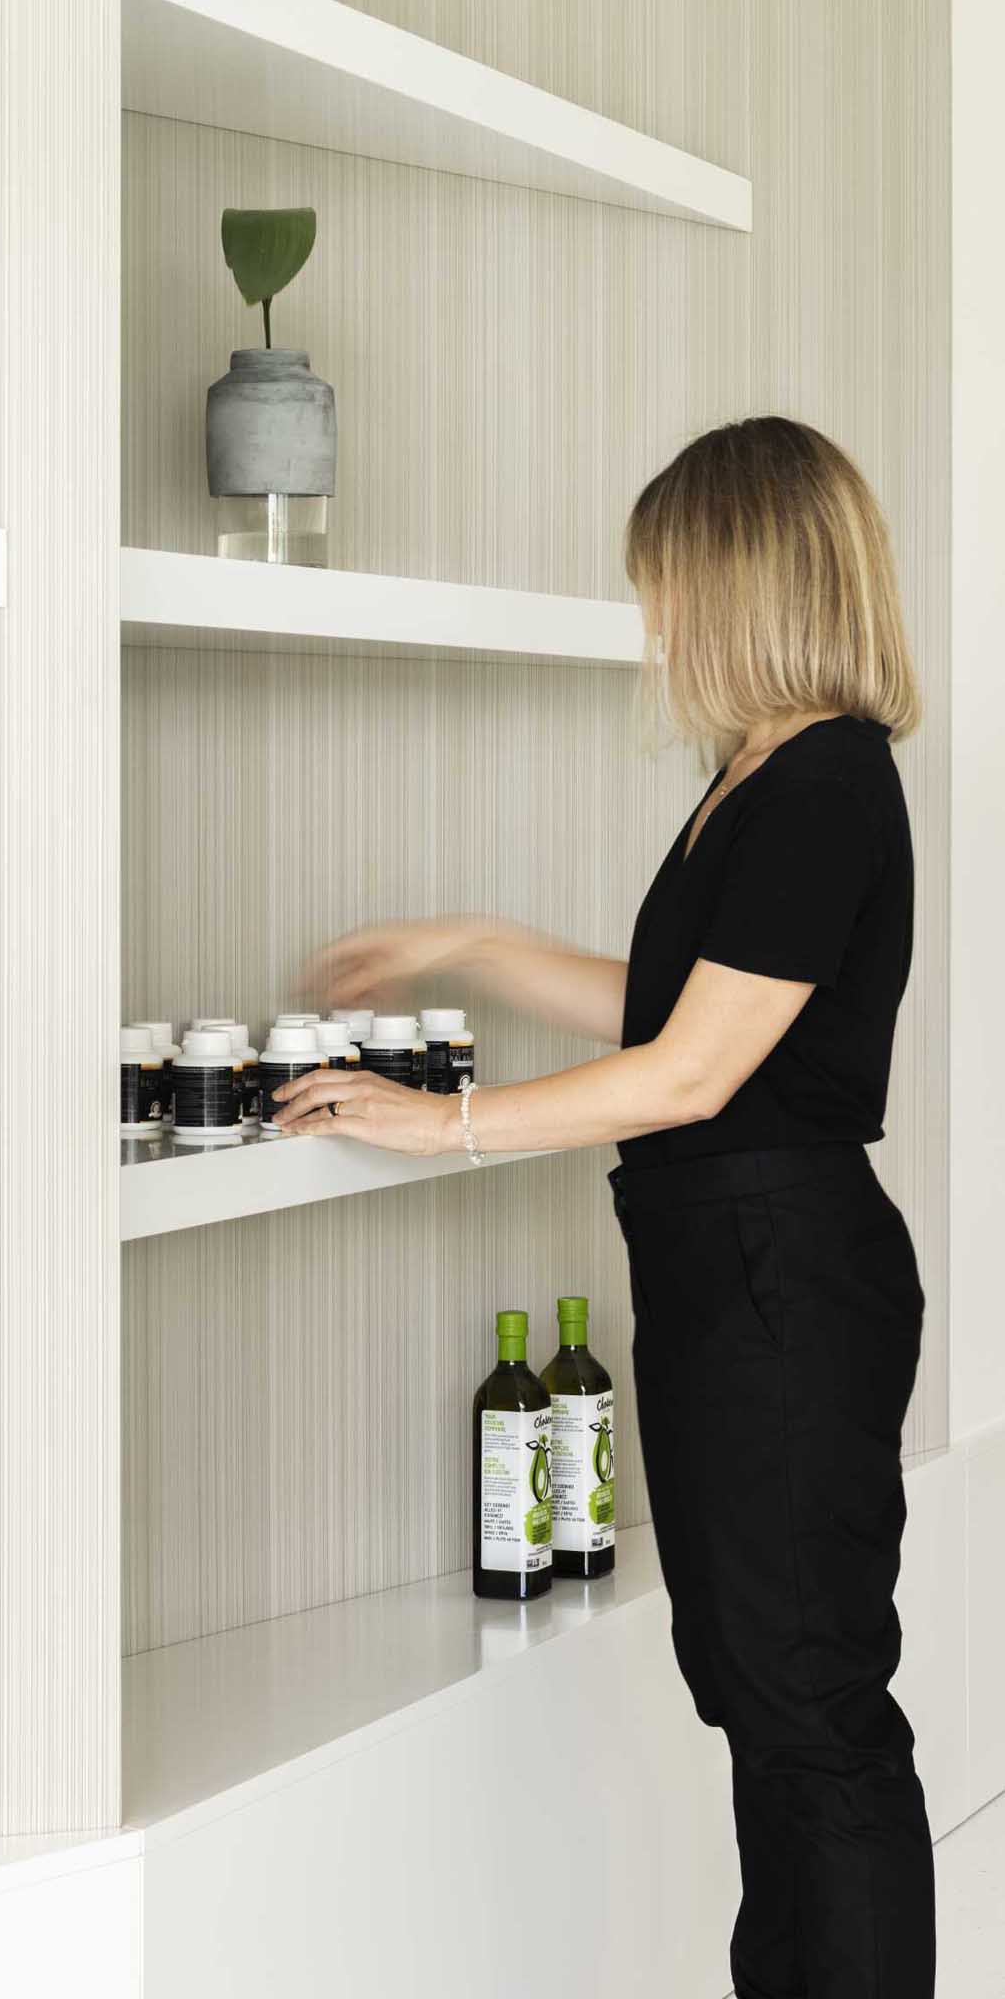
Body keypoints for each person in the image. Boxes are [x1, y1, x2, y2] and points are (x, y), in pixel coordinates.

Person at [274, 416, 932, 1999]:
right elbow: (674, 1008)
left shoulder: (829, 779)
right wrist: (475, 945)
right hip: (730, 1273)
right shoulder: (754, 779)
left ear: (743, 578)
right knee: (758, 1697)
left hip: (784, 1275)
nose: (657, 623)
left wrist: (450, 1126)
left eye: (667, 584)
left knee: (811, 1714)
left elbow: (691, 1071)